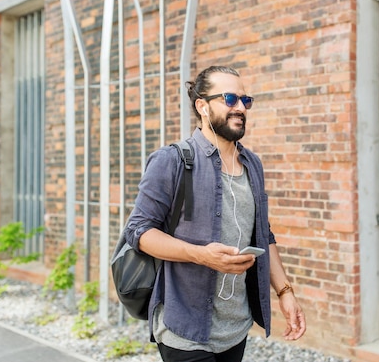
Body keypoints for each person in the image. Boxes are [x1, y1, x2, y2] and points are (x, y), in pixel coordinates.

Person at [124, 65, 306, 362]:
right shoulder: (171, 160)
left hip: (236, 327)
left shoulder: (253, 164)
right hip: (185, 328)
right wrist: (201, 255)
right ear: (202, 106)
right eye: (230, 99)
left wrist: (285, 291)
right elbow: (139, 232)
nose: (240, 108)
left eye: (245, 101)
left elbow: (263, 233)